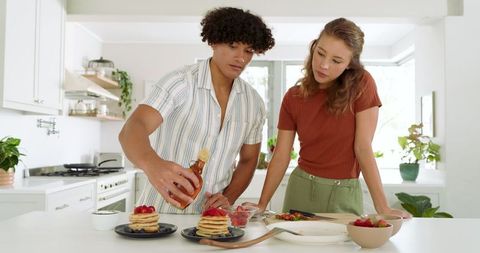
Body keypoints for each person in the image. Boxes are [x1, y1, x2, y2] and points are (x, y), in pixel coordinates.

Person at [118, 7, 275, 214]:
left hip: (213, 220)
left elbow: (248, 160)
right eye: (232, 46)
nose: (241, 58)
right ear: (213, 42)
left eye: (248, 51)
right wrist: (153, 164)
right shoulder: (180, 83)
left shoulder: (253, 103)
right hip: (160, 213)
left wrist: (228, 197)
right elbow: (132, 129)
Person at [251, 18, 410, 217]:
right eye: (320, 53)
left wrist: (383, 208)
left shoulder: (362, 85)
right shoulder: (293, 97)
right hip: (300, 190)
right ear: (314, 47)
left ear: (350, 65)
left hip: (343, 193)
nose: (324, 65)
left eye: (336, 61)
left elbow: (362, 147)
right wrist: (262, 203)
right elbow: (282, 154)